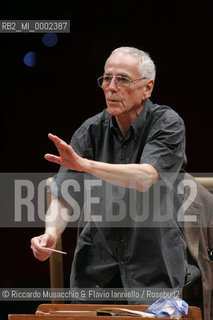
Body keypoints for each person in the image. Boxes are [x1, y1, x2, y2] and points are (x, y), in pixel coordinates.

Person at [31, 47, 188, 304]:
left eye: (122, 79)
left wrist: (84, 165)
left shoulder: (167, 123)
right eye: (106, 78)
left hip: (154, 266)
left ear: (147, 88)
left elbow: (145, 178)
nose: (111, 87)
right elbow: (64, 195)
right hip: (96, 267)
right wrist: (50, 233)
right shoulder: (91, 130)